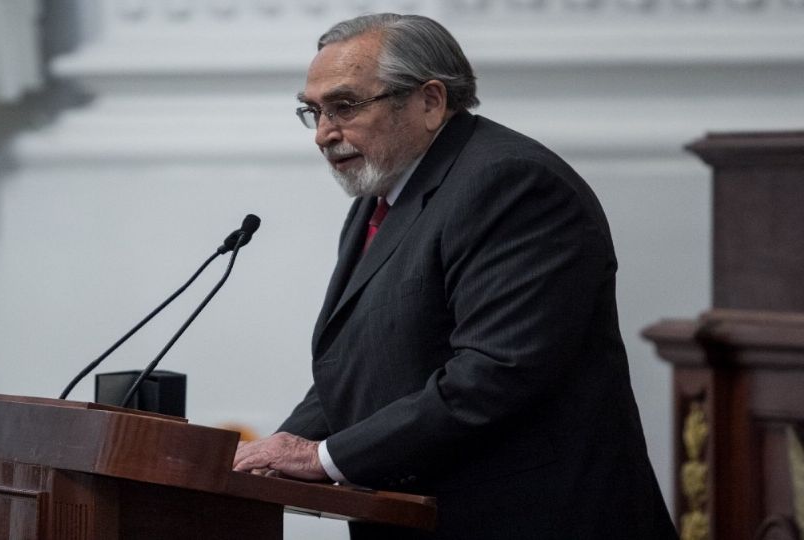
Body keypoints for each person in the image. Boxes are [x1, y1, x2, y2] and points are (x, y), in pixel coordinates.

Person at [233, 13, 677, 540]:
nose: (325, 134)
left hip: (531, 518)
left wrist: (326, 457)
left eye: (345, 106)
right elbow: (359, 362)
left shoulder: (512, 184)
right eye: (314, 111)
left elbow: (497, 371)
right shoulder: (383, 196)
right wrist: (280, 447)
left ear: (430, 101)